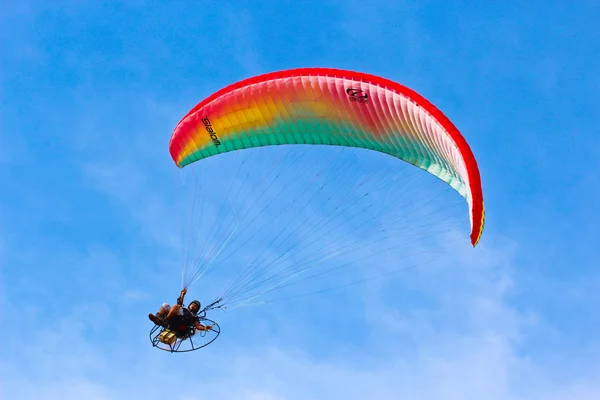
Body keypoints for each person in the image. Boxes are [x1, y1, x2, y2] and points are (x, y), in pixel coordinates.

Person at [149, 288, 213, 334]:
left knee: (177, 306)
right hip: (174, 318)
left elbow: (197, 326)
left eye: (195, 306)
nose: (193, 305)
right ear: (189, 305)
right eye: (192, 304)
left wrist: (204, 328)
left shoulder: (194, 316)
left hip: (181, 323)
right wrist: (182, 294)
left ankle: (165, 320)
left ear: (196, 310)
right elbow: (180, 304)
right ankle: (158, 319)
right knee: (165, 305)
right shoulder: (184, 310)